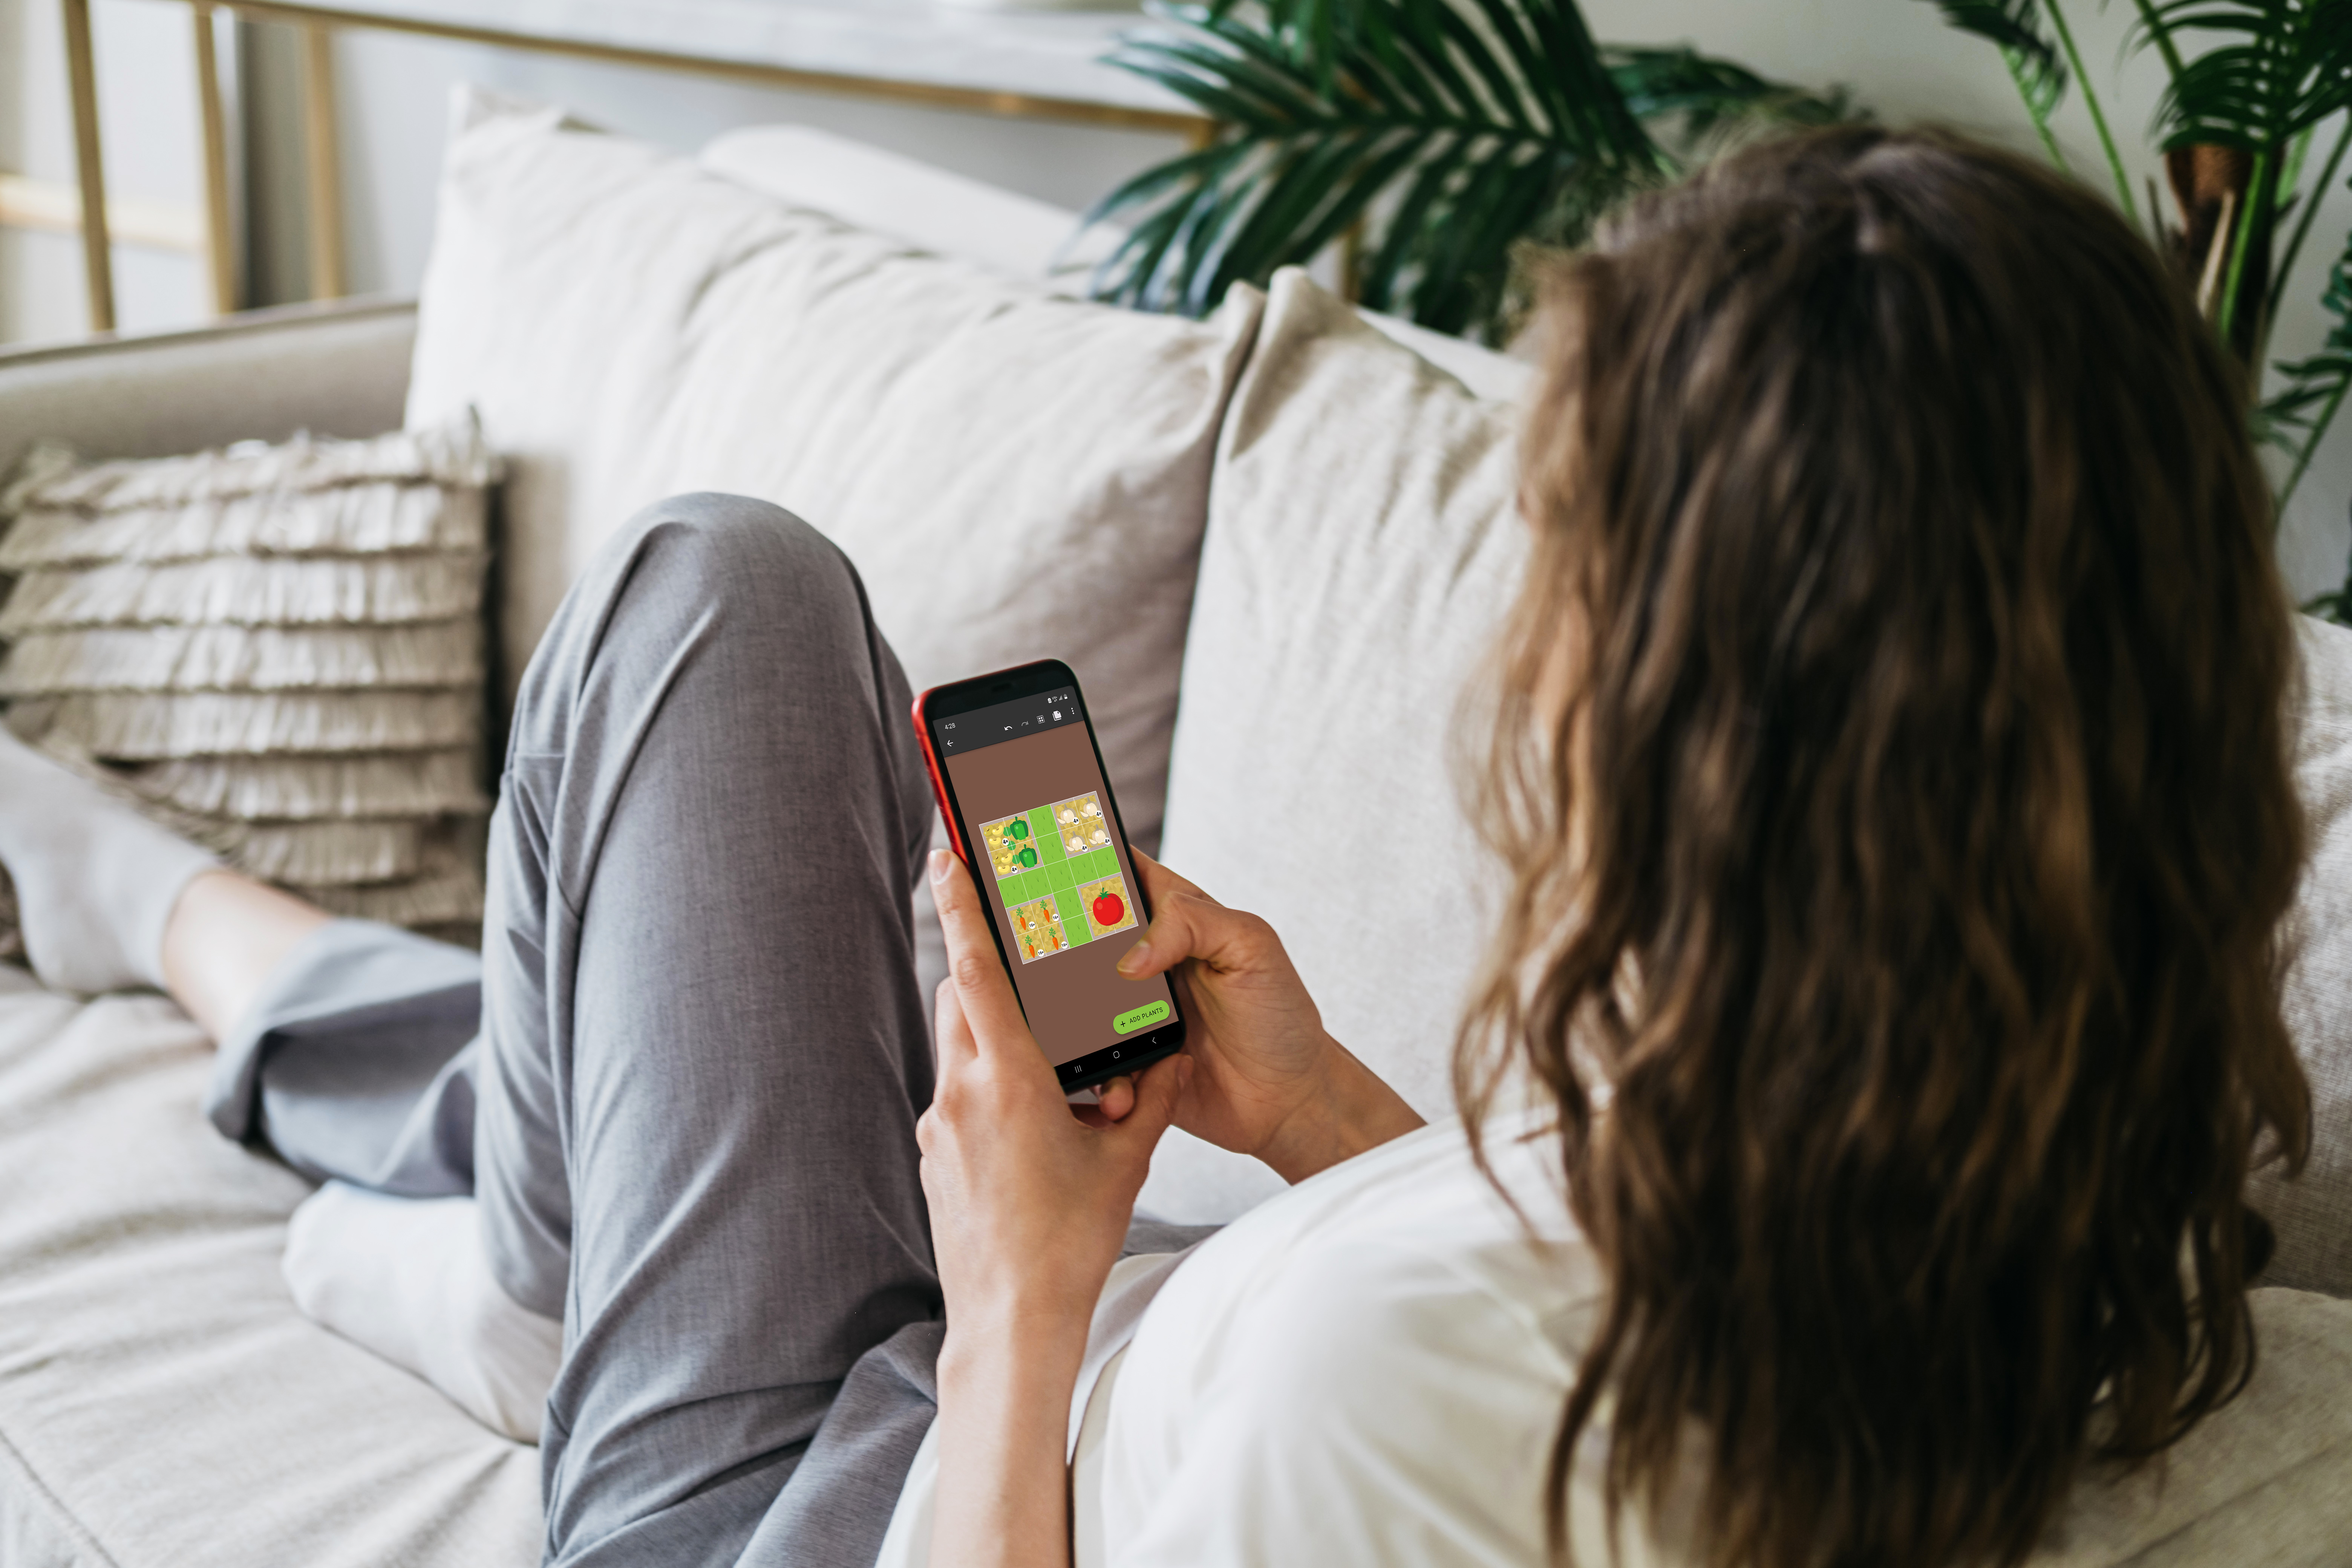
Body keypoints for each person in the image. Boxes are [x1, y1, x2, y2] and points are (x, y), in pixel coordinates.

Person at [0, 124, 2314, 1568]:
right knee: (747, 616)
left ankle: (314, 1032)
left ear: (1696, 738)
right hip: (1008, 1360)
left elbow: (1450, 1405)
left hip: (822, 1495)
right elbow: (1601, 1330)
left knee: (701, 599)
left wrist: (1015, 1303)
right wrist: (1321, 1122)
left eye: (1562, 587)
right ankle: (357, 1040)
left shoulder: (1373, 1401)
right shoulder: (2104, 1247)